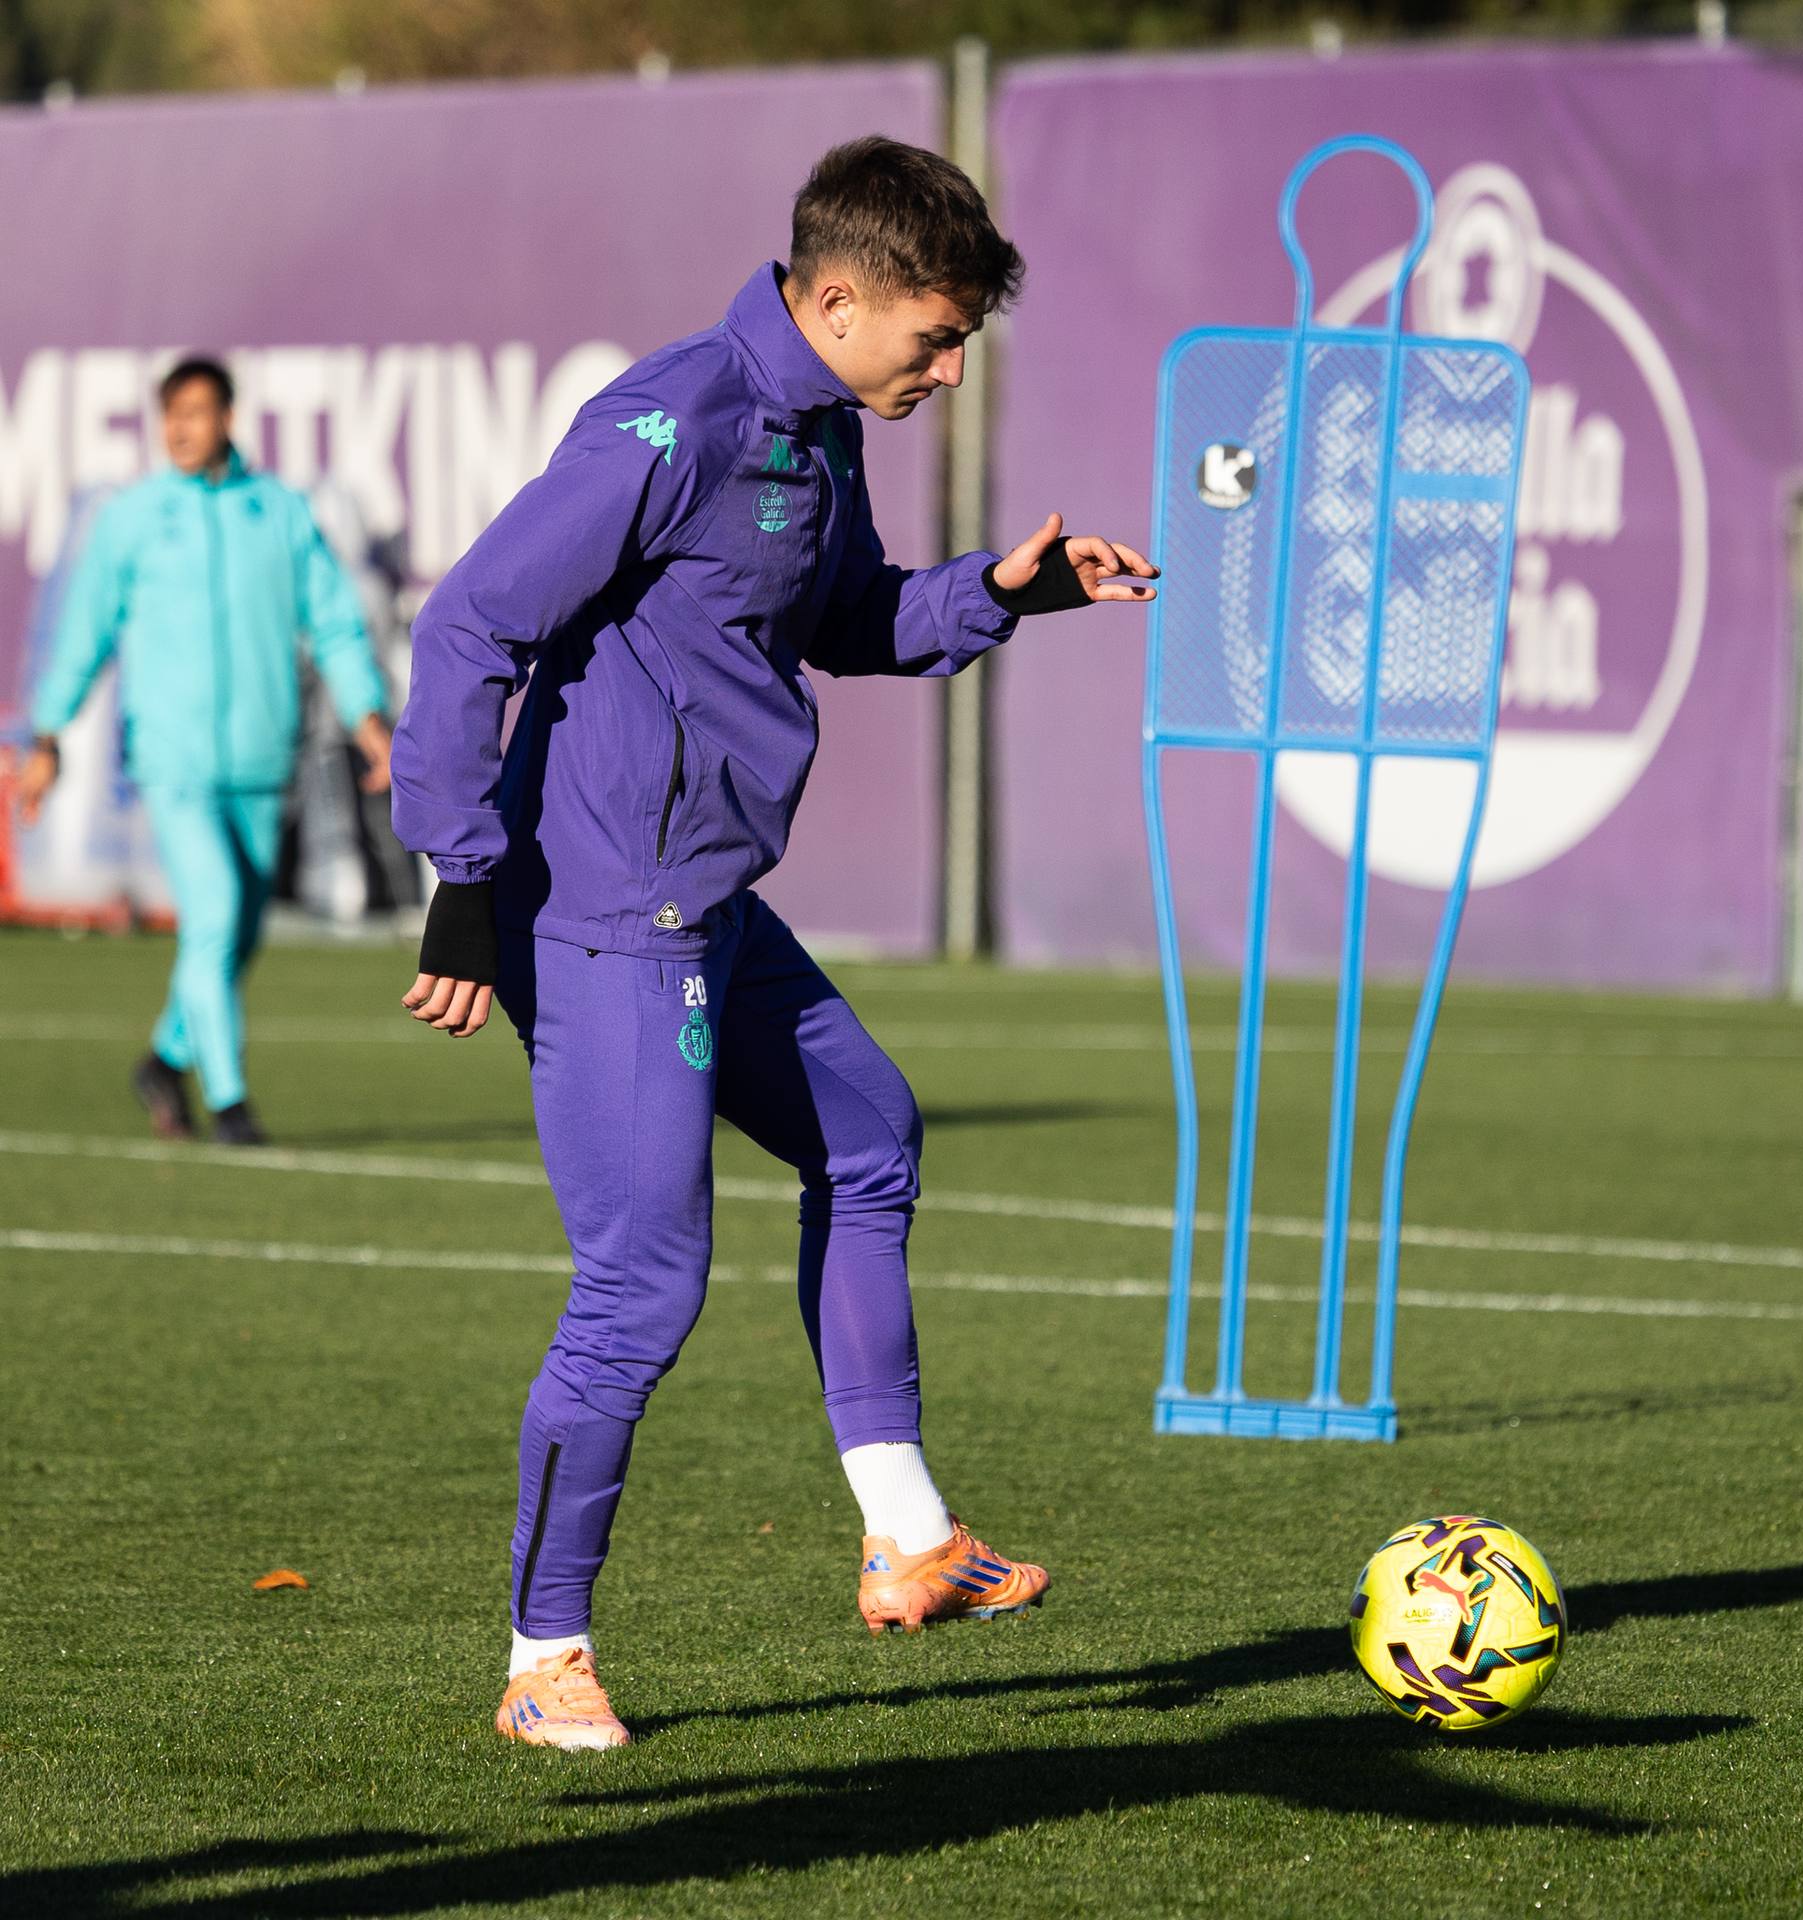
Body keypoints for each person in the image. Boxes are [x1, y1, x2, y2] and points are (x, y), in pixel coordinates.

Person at [389, 136, 1158, 1752]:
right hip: (604, 917)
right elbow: (472, 622)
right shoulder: (671, 422)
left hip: (709, 904)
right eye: (936, 337)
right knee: (639, 1291)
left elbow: (848, 619)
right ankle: (542, 1658)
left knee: (869, 1141)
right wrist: (460, 869)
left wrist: (1002, 591)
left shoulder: (821, 430)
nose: (950, 369)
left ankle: (910, 1539)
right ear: (837, 299)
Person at [10, 357, 393, 1146]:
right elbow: (83, 633)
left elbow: (333, 621)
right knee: (213, 914)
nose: (180, 428)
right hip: (173, 760)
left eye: (194, 412)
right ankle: (230, 1103)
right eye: (170, 414)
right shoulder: (135, 517)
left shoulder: (278, 512)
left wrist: (369, 719)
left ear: (227, 417)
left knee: (240, 932)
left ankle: (164, 1059)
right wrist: (46, 735)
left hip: (260, 758)